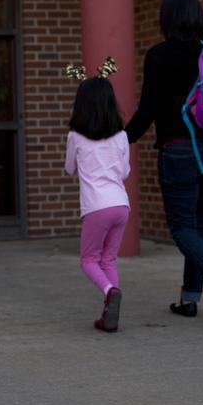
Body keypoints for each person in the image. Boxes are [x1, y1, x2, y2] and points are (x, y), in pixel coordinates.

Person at [124, 0, 203, 326]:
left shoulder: (159, 55)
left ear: (167, 19)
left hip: (180, 150)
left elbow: (148, 111)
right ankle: (189, 299)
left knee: (181, 227)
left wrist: (117, 141)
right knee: (198, 225)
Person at [64, 70, 131, 333]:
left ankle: (110, 291)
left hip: (96, 207)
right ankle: (109, 313)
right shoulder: (121, 135)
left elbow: (70, 168)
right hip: (121, 205)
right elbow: (125, 172)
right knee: (109, 260)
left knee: (89, 260)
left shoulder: (75, 136)